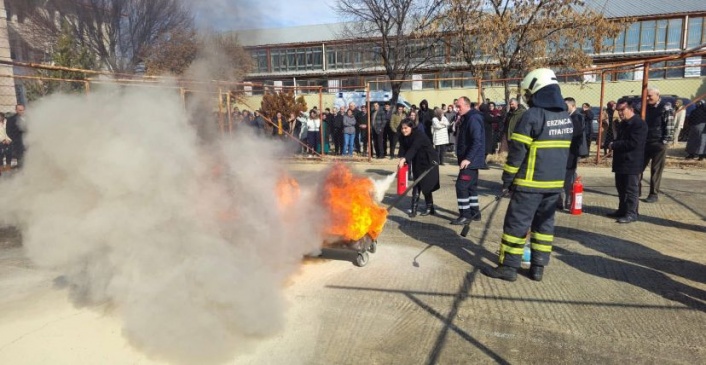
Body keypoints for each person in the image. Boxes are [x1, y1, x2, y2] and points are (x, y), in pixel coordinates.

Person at [482, 68, 571, 282]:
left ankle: (509, 268)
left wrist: (507, 179)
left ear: (536, 91)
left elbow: (517, 152)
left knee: (516, 225)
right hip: (554, 185)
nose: (527, 99)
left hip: (530, 184)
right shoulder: (565, 117)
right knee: (544, 226)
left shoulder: (532, 115)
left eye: (528, 95)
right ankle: (538, 267)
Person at [607, 98, 647, 223]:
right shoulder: (623, 123)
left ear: (631, 109)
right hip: (621, 162)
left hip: (632, 162)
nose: (620, 113)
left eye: (622, 110)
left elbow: (633, 143)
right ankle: (622, 210)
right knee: (621, 187)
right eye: (618, 110)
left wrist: (614, 145)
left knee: (631, 189)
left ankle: (631, 213)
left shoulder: (638, 124)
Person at [449, 97, 485, 226]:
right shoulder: (466, 118)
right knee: (471, 187)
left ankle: (465, 215)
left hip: (470, 161)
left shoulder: (473, 118)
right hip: (470, 160)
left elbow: (477, 141)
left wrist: (468, 158)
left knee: (461, 186)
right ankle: (475, 213)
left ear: (466, 105)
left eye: (459, 106)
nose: (457, 109)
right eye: (456, 107)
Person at [398, 120, 440, 217]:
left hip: (429, 161)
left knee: (426, 185)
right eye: (402, 128)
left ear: (411, 127)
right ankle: (414, 210)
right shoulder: (403, 137)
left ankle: (430, 207)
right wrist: (402, 158)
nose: (403, 130)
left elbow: (414, 148)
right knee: (417, 184)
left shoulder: (419, 135)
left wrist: (405, 158)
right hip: (417, 160)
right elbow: (404, 148)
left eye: (406, 128)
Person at [641, 86, 675, 203]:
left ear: (657, 95)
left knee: (656, 169)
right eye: (646, 96)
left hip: (658, 142)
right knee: (638, 167)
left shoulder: (665, 107)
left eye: (650, 96)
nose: (648, 98)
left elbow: (669, 126)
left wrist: (664, 142)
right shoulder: (645, 107)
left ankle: (653, 194)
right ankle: (636, 190)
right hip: (645, 142)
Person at [559, 97, 586, 211]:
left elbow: (577, 136)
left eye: (566, 106)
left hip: (571, 152)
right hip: (568, 152)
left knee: (568, 177)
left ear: (572, 105)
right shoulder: (569, 117)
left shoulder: (577, 117)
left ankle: (568, 202)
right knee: (568, 176)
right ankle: (565, 201)